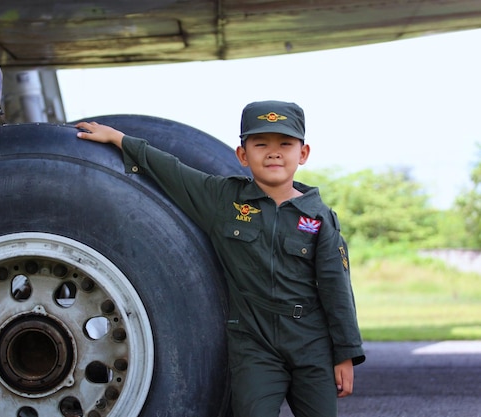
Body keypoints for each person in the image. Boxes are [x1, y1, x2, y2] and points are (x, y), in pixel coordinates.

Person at [76, 100, 365, 417]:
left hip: (310, 342)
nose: (273, 152)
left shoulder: (319, 218)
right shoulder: (223, 199)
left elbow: (337, 290)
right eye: (260, 144)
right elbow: (172, 171)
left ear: (304, 154)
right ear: (242, 155)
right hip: (256, 344)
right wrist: (120, 140)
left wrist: (345, 355)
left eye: (285, 144)